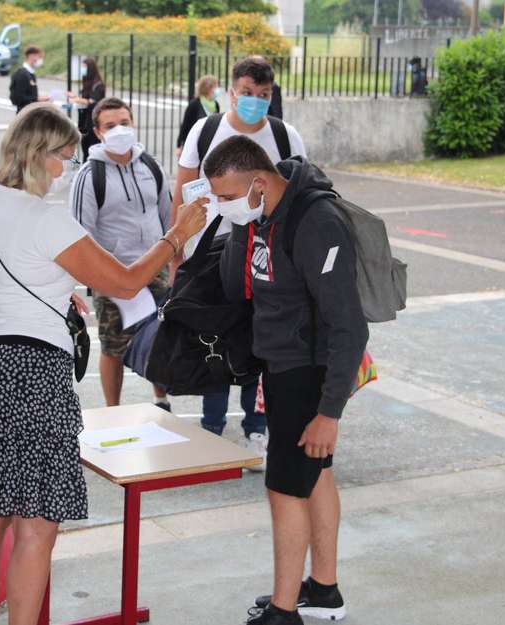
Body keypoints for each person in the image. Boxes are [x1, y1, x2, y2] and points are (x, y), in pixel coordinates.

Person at [0, 103, 207, 625]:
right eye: (65, 156)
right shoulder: (48, 220)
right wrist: (177, 235)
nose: (70, 167)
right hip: (33, 372)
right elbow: (126, 283)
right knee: (37, 525)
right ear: (41, 156)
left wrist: (50, 292)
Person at [208, 135, 367, 625]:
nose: (223, 206)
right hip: (281, 365)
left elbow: (349, 324)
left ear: (258, 182)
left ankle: (284, 610)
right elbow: (236, 286)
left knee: (285, 488)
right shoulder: (262, 217)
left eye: (228, 197)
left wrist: (329, 412)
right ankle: (323, 590)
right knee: (314, 477)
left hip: (308, 370)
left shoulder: (317, 220)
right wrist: (241, 225)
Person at [170, 56, 307, 468]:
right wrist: (177, 249)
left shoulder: (285, 136)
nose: (255, 102)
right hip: (211, 254)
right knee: (216, 337)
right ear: (231, 91)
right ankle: (211, 427)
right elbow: (181, 192)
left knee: (260, 342)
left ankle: (256, 427)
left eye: (264, 95)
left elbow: (300, 193)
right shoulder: (207, 129)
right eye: (247, 93)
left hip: (268, 257)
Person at [70, 97, 172, 409]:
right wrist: (100, 277)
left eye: (124, 123)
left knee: (161, 338)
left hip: (156, 270)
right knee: (113, 345)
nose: (119, 130)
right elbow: (79, 233)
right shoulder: (89, 175)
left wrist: (172, 263)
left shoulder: (152, 167)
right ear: (98, 133)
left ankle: (161, 399)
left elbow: (168, 218)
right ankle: (113, 410)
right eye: (111, 126)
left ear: (133, 123)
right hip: (112, 276)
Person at [69, 57, 106, 161]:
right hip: (85, 120)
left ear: (90, 68)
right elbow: (85, 99)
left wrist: (77, 99)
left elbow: (92, 102)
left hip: (93, 120)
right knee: (85, 146)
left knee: (92, 148)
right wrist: (75, 97)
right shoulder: (87, 82)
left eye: (84, 67)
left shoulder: (98, 85)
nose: (82, 69)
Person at [176, 74, 222, 158]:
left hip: (210, 144)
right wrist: (179, 145)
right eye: (216, 86)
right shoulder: (195, 104)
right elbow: (185, 125)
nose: (218, 89)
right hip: (194, 144)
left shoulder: (216, 105)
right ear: (208, 88)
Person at [9, 46, 50, 113]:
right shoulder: (21, 74)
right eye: (39, 57)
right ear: (31, 56)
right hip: (24, 113)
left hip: (31, 112)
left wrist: (38, 98)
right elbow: (19, 97)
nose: (40, 60)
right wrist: (37, 99)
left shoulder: (30, 74)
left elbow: (30, 94)